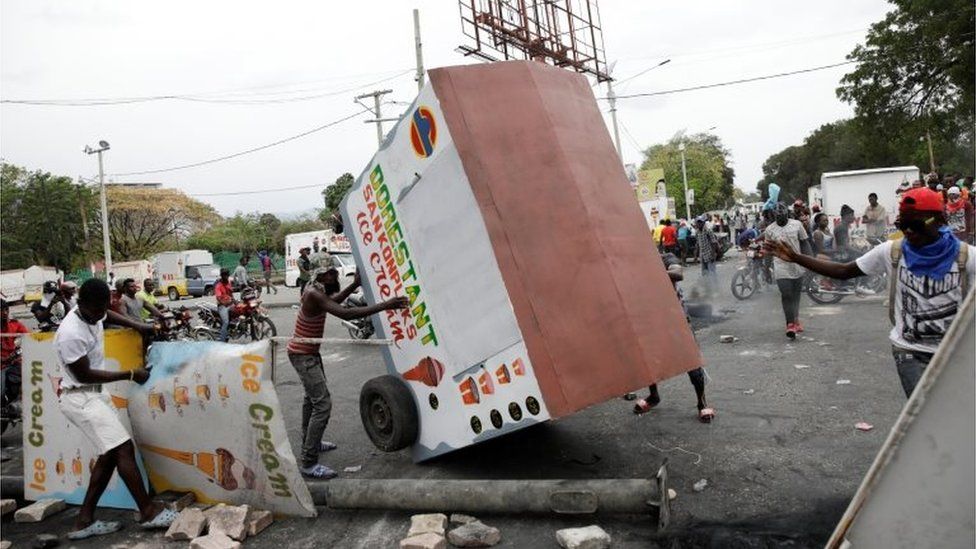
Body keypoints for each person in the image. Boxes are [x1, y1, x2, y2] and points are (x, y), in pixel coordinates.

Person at [767, 188, 974, 397]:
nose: (909, 231)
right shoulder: (892, 251)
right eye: (903, 224)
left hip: (958, 352)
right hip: (910, 353)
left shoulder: (968, 257)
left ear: (938, 220)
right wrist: (795, 257)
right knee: (926, 413)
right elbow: (843, 270)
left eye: (917, 224)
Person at [54, 279, 177, 539]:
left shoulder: (94, 313)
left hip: (95, 395)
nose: (102, 314)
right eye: (98, 309)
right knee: (122, 448)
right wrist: (131, 373)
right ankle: (147, 511)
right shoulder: (70, 333)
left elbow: (107, 314)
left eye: (104, 307)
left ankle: (84, 521)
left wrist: (139, 324)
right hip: (80, 397)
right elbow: (85, 374)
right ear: (83, 304)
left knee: (109, 455)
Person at [287, 267, 409, 478]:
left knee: (312, 400)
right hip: (303, 355)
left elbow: (334, 302)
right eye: (331, 273)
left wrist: (354, 284)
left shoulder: (315, 288)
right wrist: (386, 306)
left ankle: (311, 442)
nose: (335, 276)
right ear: (320, 274)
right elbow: (346, 312)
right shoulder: (314, 293)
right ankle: (308, 462)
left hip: (308, 352)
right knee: (322, 404)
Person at [631, 253, 714, 422]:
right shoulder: (635, 262)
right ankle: (653, 397)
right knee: (649, 362)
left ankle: (702, 403)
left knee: (692, 363)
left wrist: (648, 272)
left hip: (678, 322)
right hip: (652, 323)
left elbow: (678, 273)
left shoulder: (666, 258)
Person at [764, 202, 811, 339]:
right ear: (774, 216)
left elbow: (804, 243)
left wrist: (810, 263)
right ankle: (789, 324)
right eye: (777, 217)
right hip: (780, 266)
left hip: (797, 264)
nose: (780, 219)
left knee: (796, 295)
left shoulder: (797, 225)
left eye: (782, 216)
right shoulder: (770, 230)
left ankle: (795, 319)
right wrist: (767, 269)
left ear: (787, 214)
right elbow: (768, 250)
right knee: (786, 294)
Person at [1, 299, 30, 407]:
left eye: (6, 309)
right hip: (1, 366)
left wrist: (16, 353)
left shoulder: (15, 325)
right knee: (1, 393)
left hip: (15, 361)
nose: (4, 313)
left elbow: (30, 339)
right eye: (1, 310)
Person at [695, 215, 719, 290]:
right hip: (702, 255)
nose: (699, 224)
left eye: (700, 222)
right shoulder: (697, 232)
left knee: (712, 273)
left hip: (709, 254)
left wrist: (713, 254)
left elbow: (714, 243)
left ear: (703, 223)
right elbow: (698, 244)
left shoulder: (708, 230)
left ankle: (715, 289)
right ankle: (708, 289)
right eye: (697, 222)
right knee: (704, 273)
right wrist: (695, 255)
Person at [214, 269, 234, 342]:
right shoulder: (218, 286)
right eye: (225, 275)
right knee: (225, 322)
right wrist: (225, 303)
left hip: (230, 303)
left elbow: (230, 293)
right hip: (222, 306)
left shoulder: (228, 283)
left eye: (227, 275)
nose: (226, 277)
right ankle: (222, 341)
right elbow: (218, 298)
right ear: (222, 276)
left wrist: (234, 301)